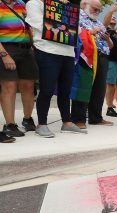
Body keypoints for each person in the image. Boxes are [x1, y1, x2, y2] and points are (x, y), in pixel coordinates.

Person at [26, 0, 85, 137]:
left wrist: (64, 15)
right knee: (46, 89)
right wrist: (64, 26)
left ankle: (67, 122)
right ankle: (42, 124)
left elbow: (78, 29)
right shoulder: (35, 3)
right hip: (47, 50)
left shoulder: (67, 6)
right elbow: (39, 25)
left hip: (68, 52)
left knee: (65, 91)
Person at [72, 0, 114, 127]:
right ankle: (78, 118)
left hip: (102, 57)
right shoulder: (77, 16)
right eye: (95, 9)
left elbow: (110, 45)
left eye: (99, 10)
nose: (97, 12)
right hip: (86, 56)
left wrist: (107, 39)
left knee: (99, 89)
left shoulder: (99, 22)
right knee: (83, 86)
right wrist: (91, 32)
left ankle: (95, 117)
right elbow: (73, 34)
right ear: (85, 5)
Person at [0, 0, 38, 142]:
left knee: (29, 85)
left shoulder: (21, 4)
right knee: (9, 86)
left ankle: (27, 119)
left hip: (26, 49)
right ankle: (10, 124)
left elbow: (28, 25)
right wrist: (4, 55)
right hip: (6, 48)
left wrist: (33, 44)